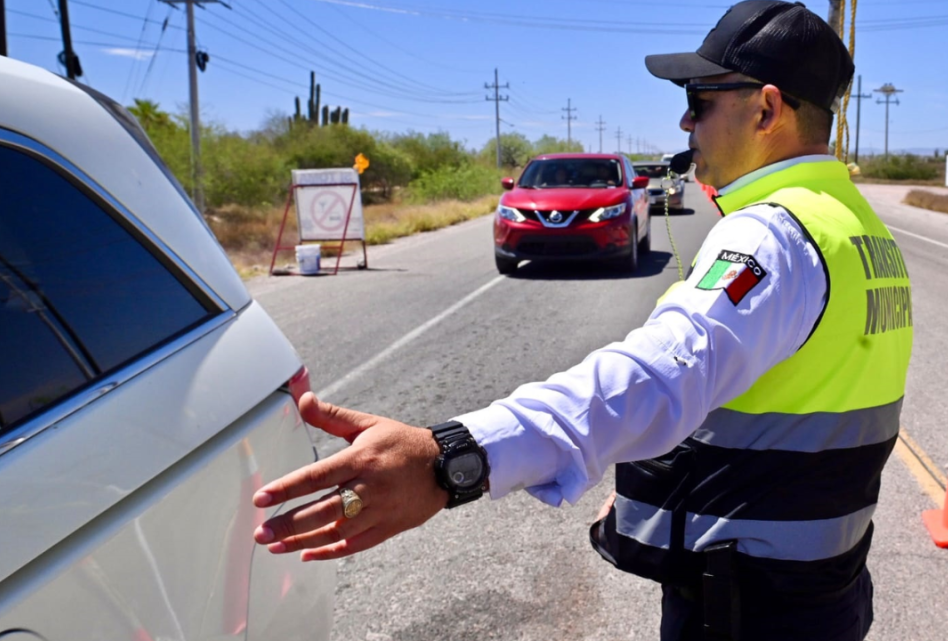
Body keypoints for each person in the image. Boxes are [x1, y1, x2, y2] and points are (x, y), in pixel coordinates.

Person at [251, 2, 913, 639]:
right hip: (825, 589)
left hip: (751, 610)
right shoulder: (858, 228)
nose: (686, 122)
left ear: (766, 109)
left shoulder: (772, 237)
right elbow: (785, 400)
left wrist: (453, 457)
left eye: (700, 99)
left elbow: (663, 373)